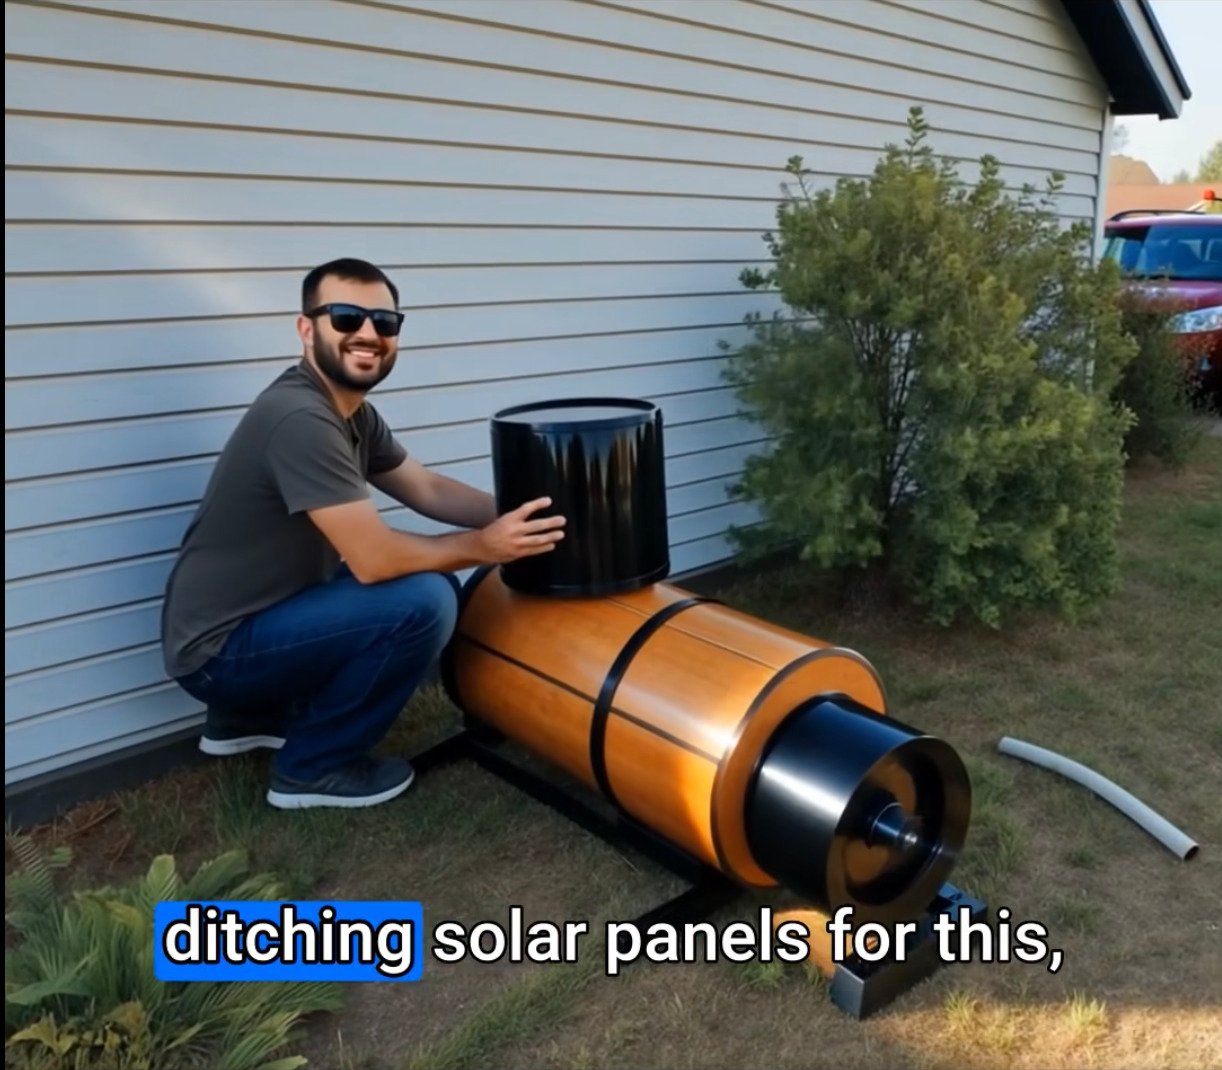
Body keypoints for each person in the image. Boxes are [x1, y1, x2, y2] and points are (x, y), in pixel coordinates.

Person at [160, 257, 566, 810]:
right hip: (218, 652)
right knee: (423, 600)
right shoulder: (300, 418)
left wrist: (518, 518)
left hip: (247, 616)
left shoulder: (351, 412)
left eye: (385, 322)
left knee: (428, 584)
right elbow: (374, 560)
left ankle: (251, 717)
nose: (368, 334)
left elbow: (426, 489)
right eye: (347, 317)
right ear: (307, 329)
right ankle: (311, 769)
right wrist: (482, 547)